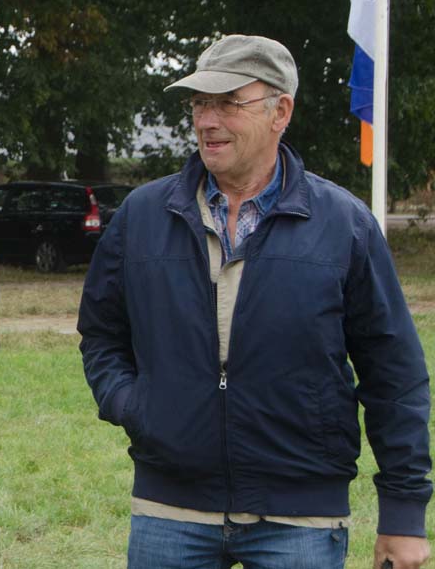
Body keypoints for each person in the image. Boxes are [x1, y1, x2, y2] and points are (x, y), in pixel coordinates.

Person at [78, 34, 432, 569]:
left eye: (228, 103)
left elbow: (394, 373)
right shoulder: (141, 216)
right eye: (200, 103)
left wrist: (403, 514)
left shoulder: (345, 225)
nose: (207, 121)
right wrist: (134, 405)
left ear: (280, 111)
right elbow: (102, 332)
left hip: (301, 519)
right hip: (170, 509)